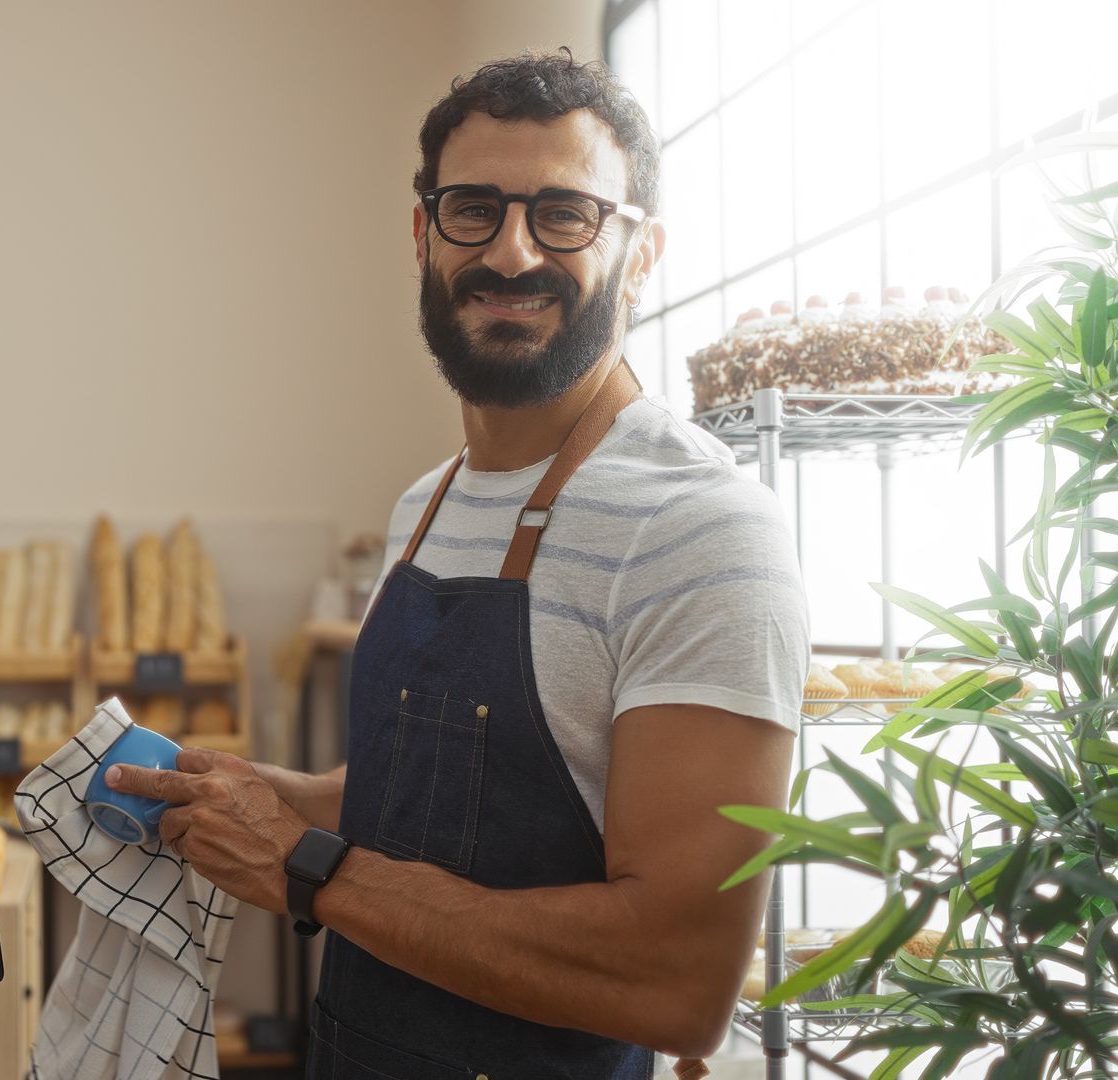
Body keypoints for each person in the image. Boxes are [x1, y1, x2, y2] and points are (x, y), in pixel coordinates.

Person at [108, 49, 807, 1077]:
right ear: (424, 233)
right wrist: (270, 800)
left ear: (643, 253)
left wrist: (305, 867)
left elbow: (677, 977)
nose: (513, 253)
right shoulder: (427, 504)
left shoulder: (701, 532)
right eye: (472, 208)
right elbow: (458, 806)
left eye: (565, 214)